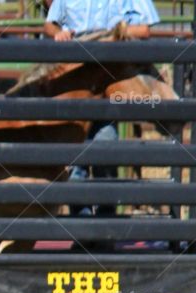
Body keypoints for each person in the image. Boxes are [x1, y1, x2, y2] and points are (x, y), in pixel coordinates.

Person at [42, 0, 160, 223]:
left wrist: (114, 33)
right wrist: (60, 33)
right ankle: (83, 226)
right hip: (75, 84)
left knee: (105, 148)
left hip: (106, 82)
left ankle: (106, 224)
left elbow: (144, 29)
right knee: (75, 161)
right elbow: (50, 25)